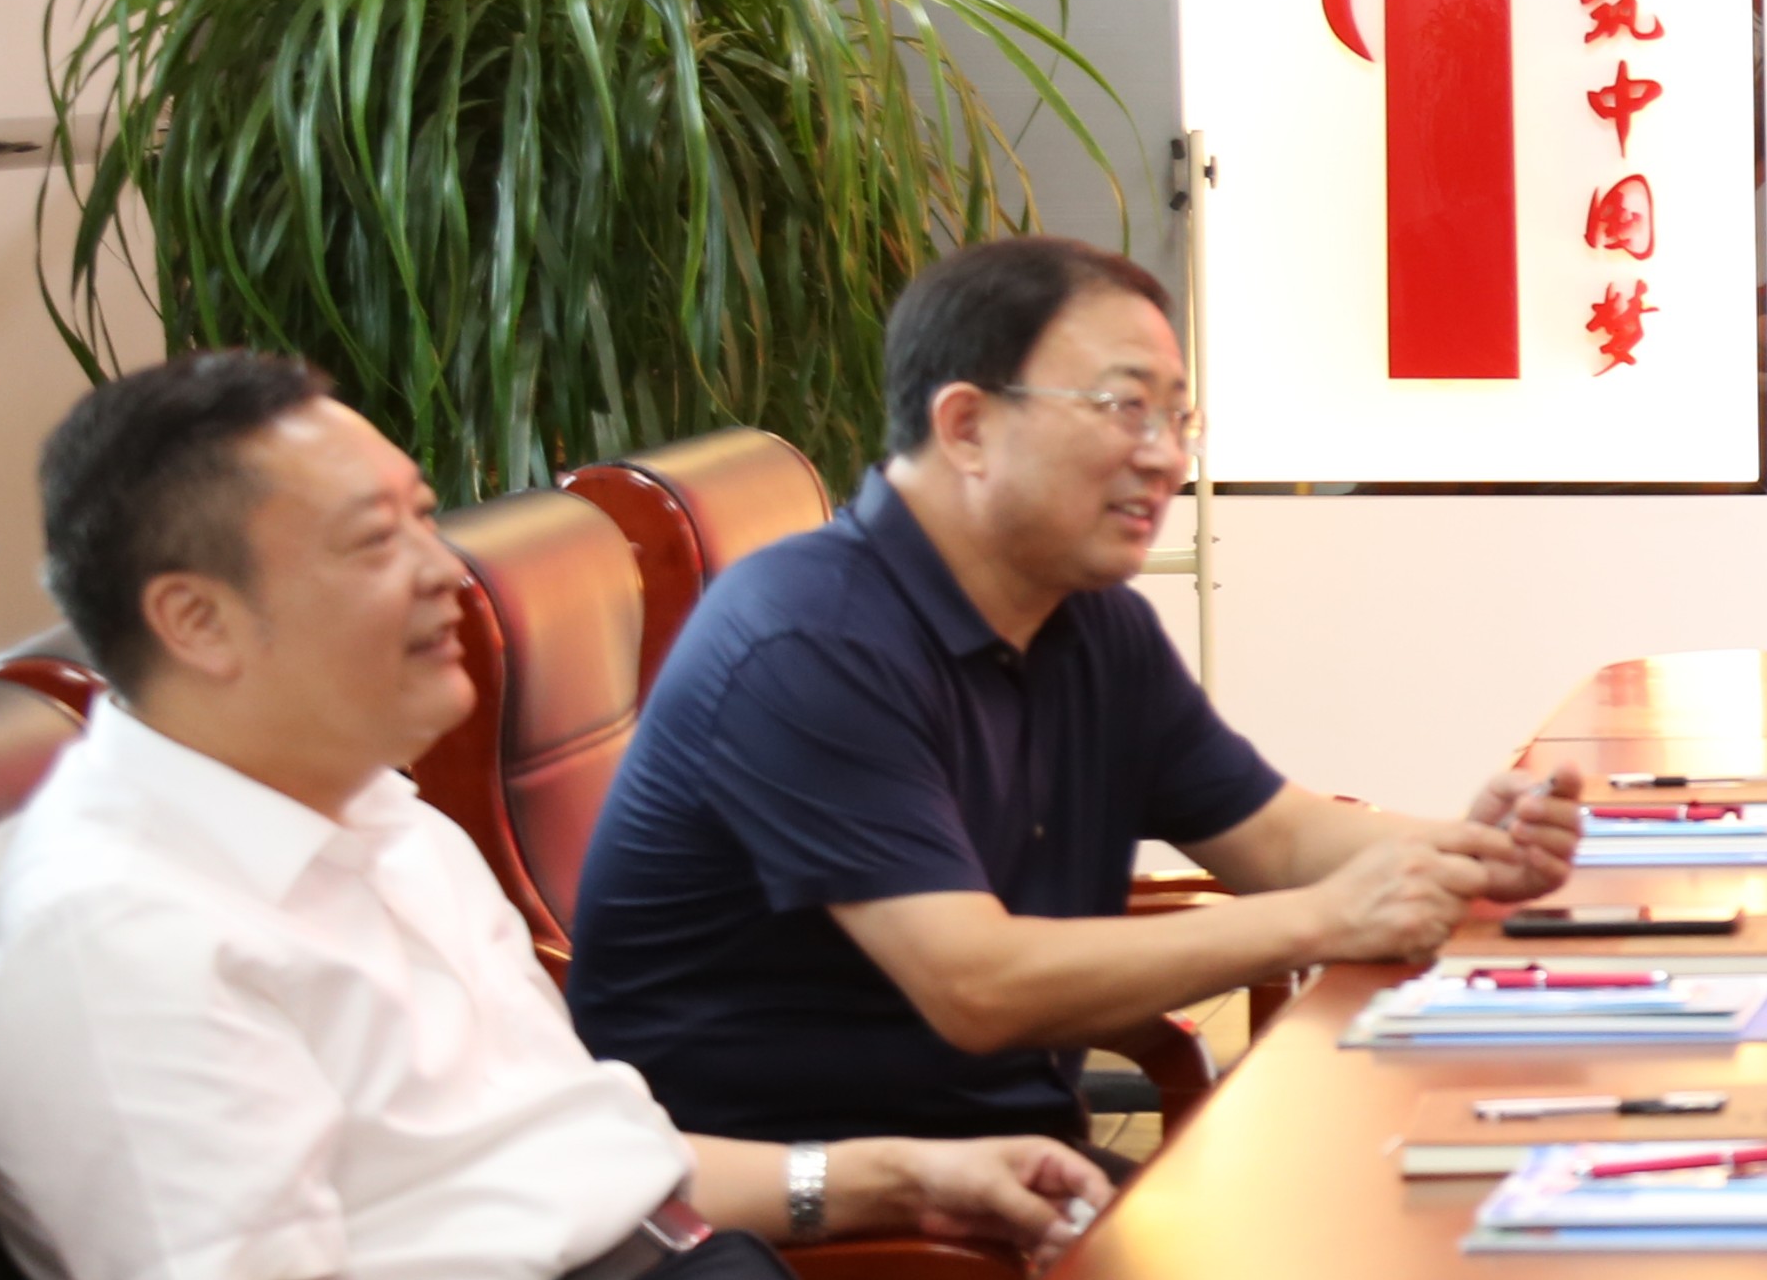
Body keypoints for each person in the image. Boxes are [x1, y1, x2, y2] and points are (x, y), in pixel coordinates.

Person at [0, 353, 1110, 1280]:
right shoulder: (114, 923)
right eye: (375, 541)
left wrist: (892, 1175)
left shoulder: (377, 815)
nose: (444, 569)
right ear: (198, 620)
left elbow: (563, 1160)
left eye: (423, 516)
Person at [564, 238, 1582, 1144]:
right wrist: (1325, 921)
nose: (1164, 457)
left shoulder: (1091, 622)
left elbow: (1273, 836)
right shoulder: (809, 641)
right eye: (1123, 408)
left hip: (1004, 1164)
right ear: (966, 425)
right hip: (809, 1223)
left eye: (1178, 417)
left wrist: (1468, 853)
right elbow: (974, 985)